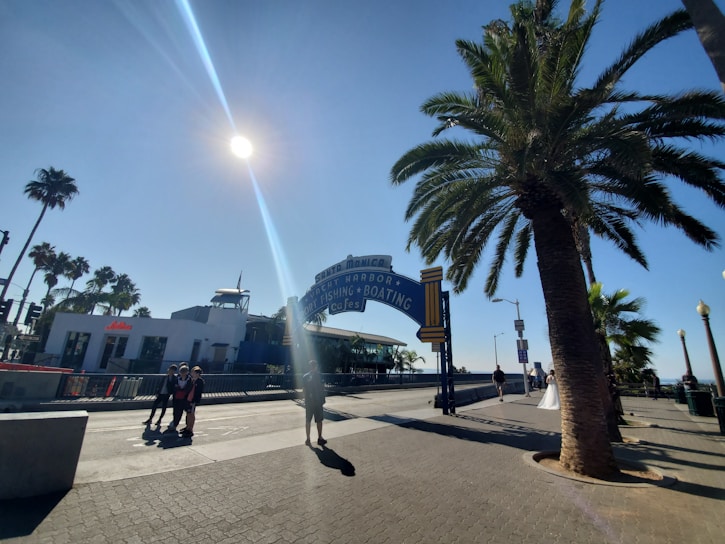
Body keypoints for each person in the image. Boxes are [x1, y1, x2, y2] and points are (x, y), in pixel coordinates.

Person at [303, 359, 327, 446]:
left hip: (309, 402)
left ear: (310, 367)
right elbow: (323, 388)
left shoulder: (305, 376)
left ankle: (308, 439)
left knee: (308, 420)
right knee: (319, 420)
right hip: (318, 401)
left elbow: (304, 390)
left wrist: (306, 399)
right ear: (316, 366)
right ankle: (320, 438)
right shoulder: (320, 375)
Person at [180, 366, 205, 437]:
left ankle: (190, 429)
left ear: (197, 373)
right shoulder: (191, 380)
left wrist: (194, 400)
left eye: (193, 372)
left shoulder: (200, 381)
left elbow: (198, 392)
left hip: (193, 400)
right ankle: (187, 427)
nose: (191, 373)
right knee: (188, 413)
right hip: (188, 398)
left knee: (191, 414)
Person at [169, 364, 193, 432]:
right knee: (175, 410)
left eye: (184, 372)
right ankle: (174, 422)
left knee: (180, 411)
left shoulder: (189, 379)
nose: (182, 374)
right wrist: (177, 389)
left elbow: (189, 388)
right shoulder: (177, 378)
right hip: (176, 397)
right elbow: (173, 386)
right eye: (181, 372)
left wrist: (183, 391)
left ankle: (175, 424)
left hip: (184, 398)